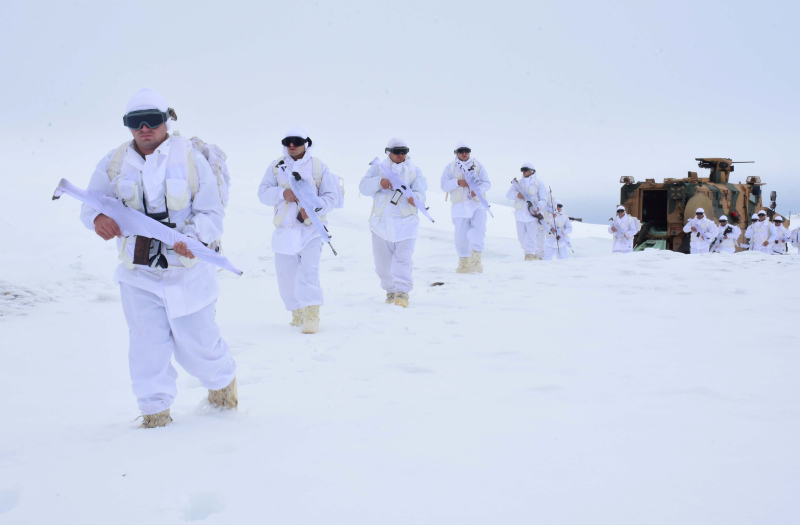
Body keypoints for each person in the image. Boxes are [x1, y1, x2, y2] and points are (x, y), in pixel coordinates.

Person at [79, 89, 237, 428]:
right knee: (146, 347)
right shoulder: (115, 162)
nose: (145, 128)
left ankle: (223, 391)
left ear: (168, 120)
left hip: (188, 274)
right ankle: (155, 414)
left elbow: (212, 211)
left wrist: (194, 238)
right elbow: (90, 203)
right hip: (138, 275)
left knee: (200, 346)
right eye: (136, 123)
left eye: (153, 121)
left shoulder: (192, 159)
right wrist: (96, 219)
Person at [257, 127, 342, 334]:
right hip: (284, 231)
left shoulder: (319, 167)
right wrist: (281, 193)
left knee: (309, 272)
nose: (291, 145)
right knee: (286, 277)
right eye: (287, 142)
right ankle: (297, 313)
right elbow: (262, 193)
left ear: (306, 142)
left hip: (311, 230)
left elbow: (332, 198)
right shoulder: (276, 166)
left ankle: (312, 314)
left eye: (296, 141)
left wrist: (313, 207)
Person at [359, 138, 428, 308]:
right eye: (397, 151)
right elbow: (363, 187)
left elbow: (421, 192)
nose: (400, 155)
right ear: (388, 151)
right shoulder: (377, 169)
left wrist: (416, 198)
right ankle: (390, 291)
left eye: (404, 151)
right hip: (381, 224)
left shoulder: (414, 171)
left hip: (407, 223)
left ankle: (402, 293)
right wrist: (378, 182)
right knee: (382, 264)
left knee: (402, 260)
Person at [440, 141, 491, 273]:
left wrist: (478, 190)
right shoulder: (450, 168)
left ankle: (476, 261)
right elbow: (444, 185)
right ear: (456, 152)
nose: (464, 153)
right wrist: (458, 182)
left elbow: (487, 183)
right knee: (461, 236)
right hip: (459, 206)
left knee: (479, 231)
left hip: (477, 204)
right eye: (461, 151)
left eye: (466, 151)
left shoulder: (478, 166)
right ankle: (464, 263)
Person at [506, 162, 548, 261]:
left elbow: (543, 199)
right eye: (522, 170)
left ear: (532, 171)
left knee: (531, 236)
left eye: (526, 169)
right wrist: (517, 195)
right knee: (521, 238)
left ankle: (530, 255)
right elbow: (508, 195)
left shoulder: (539, 183)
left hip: (532, 215)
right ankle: (533, 254)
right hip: (520, 215)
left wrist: (538, 207)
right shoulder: (518, 183)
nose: (523, 172)